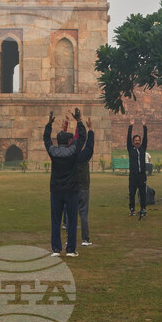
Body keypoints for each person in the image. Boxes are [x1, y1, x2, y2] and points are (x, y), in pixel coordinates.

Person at [44, 109, 86, 257]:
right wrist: (79, 121)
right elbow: (82, 138)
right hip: (71, 190)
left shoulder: (53, 152)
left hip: (56, 190)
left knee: (55, 221)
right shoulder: (73, 152)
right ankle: (70, 250)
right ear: (68, 141)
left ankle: (56, 249)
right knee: (72, 221)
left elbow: (46, 139)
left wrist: (49, 124)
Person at [75, 115, 95, 246]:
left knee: (71, 215)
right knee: (83, 214)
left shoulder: (69, 155)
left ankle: (69, 238)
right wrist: (90, 129)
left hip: (71, 187)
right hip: (83, 188)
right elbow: (90, 144)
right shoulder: (83, 156)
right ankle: (85, 239)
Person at [127, 117, 148, 219]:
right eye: (135, 140)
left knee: (143, 193)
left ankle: (143, 209)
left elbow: (146, 138)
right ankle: (132, 209)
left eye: (138, 140)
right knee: (132, 193)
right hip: (133, 176)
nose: (137, 142)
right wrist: (131, 126)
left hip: (142, 175)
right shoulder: (131, 149)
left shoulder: (143, 148)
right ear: (133, 141)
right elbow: (128, 138)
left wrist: (144, 126)